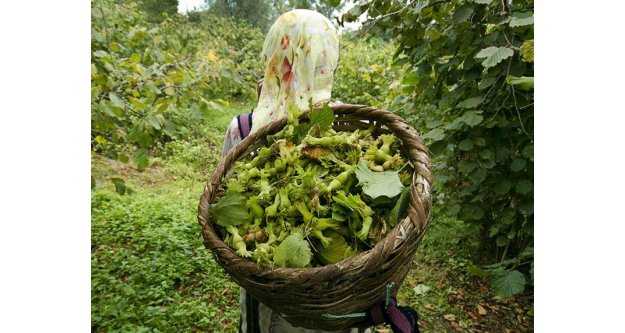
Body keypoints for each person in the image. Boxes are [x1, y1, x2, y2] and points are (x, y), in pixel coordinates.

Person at [221, 9, 372, 333]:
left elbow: (223, 209)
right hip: (336, 303)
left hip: (268, 299)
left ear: (273, 55)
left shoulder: (243, 129)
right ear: (327, 61)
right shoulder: (349, 126)